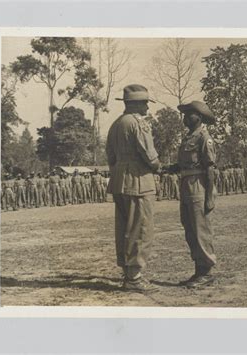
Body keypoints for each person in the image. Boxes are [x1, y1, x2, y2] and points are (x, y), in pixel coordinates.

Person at [106, 84, 161, 292]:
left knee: (124, 228)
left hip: (119, 180)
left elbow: (110, 155)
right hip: (139, 182)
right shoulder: (138, 123)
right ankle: (134, 277)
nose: (147, 107)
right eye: (145, 103)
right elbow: (150, 155)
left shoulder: (116, 124)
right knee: (140, 228)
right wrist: (158, 166)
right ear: (136, 104)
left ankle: (127, 271)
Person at [173, 100, 217, 288]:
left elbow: (210, 169)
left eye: (189, 114)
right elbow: (184, 164)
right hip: (186, 186)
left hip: (198, 187)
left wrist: (209, 197)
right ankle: (199, 270)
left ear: (198, 117)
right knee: (190, 230)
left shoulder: (203, 138)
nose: (185, 117)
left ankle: (206, 272)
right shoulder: (188, 138)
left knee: (200, 230)